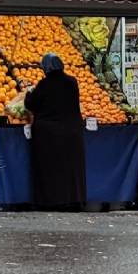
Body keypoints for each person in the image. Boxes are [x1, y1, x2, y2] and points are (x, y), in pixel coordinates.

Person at [24, 53, 86, 211]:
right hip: (72, 133)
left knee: (50, 170)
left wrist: (29, 92)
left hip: (49, 136)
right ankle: (74, 200)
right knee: (72, 170)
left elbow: (31, 104)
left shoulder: (44, 85)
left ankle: (51, 201)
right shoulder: (72, 82)